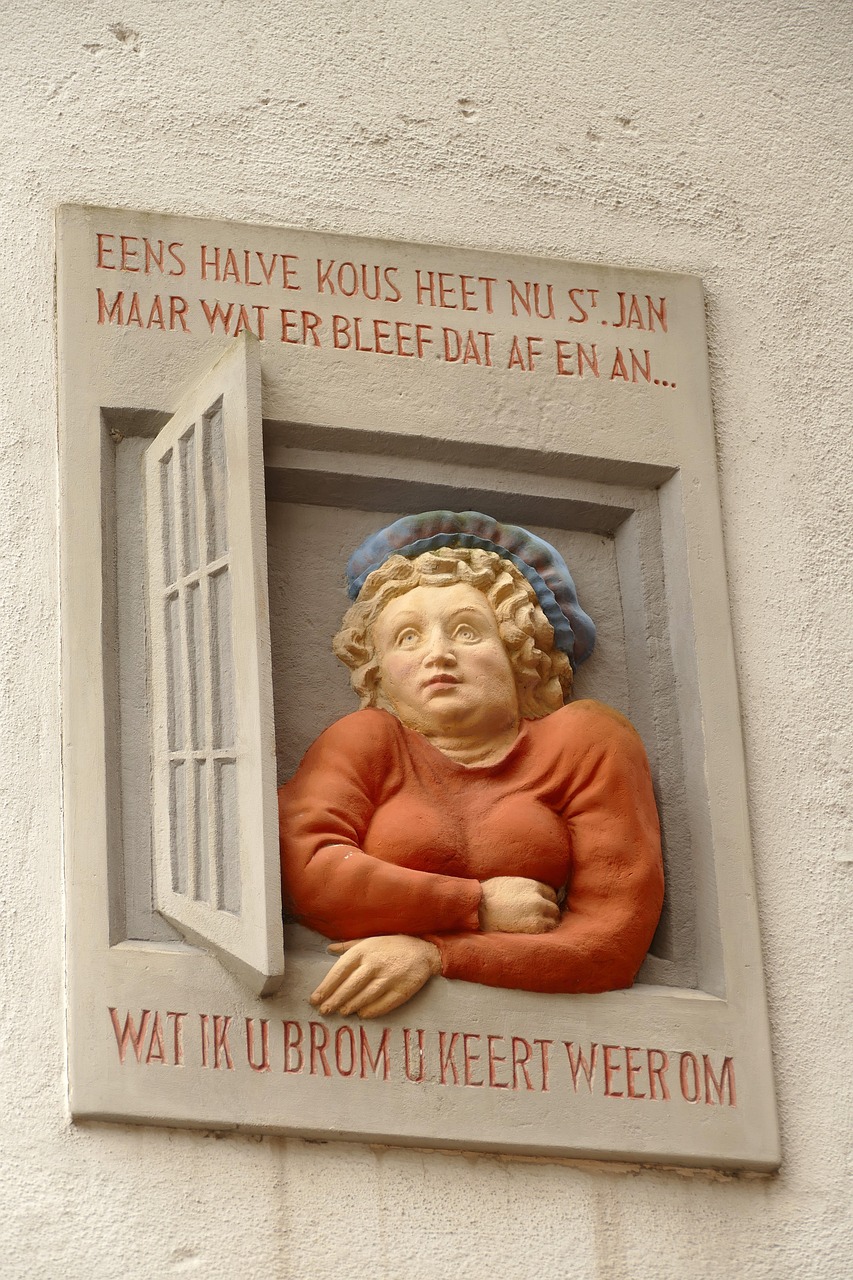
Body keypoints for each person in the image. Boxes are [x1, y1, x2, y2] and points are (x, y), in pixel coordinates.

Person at [278, 511, 664, 1019]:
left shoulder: (586, 742)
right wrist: (474, 904)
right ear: (377, 669)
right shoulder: (365, 740)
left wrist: (435, 954)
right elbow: (303, 869)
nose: (437, 655)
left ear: (518, 651)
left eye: (466, 631)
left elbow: (611, 940)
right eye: (407, 638)